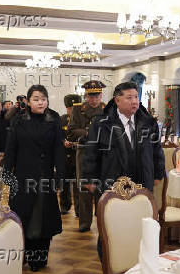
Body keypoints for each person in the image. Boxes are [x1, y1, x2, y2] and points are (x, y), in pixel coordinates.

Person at [82, 82, 165, 260]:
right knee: (111, 228)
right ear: (117, 100)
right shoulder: (101, 123)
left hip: (142, 182)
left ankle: (139, 264)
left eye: (136, 97)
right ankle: (109, 265)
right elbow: (90, 152)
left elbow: (157, 151)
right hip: (111, 181)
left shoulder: (148, 122)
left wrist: (158, 173)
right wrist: (89, 179)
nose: (134, 101)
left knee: (141, 228)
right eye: (129, 97)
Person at [3, 85, 64, 272]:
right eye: (36, 99)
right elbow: (11, 149)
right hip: (23, 176)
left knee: (43, 218)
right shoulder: (18, 121)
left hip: (45, 177)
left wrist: (60, 176)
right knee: (24, 216)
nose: (40, 102)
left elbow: (58, 151)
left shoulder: (53, 120)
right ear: (28, 102)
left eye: (43, 98)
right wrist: (7, 176)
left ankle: (39, 258)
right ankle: (24, 254)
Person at [68, 80, 106, 232]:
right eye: (91, 96)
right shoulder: (78, 109)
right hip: (83, 151)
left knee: (101, 187)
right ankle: (84, 223)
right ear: (86, 96)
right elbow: (71, 131)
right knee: (83, 188)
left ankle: (102, 220)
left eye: (96, 96)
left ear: (101, 95)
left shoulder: (107, 109)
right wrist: (88, 133)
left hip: (101, 154)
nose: (94, 99)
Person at [59, 94, 82, 215]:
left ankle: (79, 210)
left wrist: (77, 143)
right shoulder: (61, 119)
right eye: (69, 108)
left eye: (74, 108)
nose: (72, 110)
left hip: (78, 156)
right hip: (65, 156)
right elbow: (57, 136)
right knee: (64, 184)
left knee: (78, 186)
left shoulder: (82, 120)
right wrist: (63, 142)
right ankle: (64, 206)